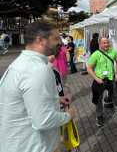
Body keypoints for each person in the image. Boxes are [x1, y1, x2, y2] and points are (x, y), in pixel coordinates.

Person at [0, 21, 76, 152]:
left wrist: (55, 100)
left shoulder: (21, 63)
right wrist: (69, 115)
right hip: (33, 146)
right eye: (56, 39)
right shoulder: (37, 69)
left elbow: (24, 100)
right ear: (41, 40)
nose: (60, 43)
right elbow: (43, 121)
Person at [86, 37, 117, 128]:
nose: (106, 44)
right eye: (104, 43)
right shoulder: (96, 54)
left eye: (107, 43)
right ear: (100, 44)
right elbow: (89, 68)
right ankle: (99, 116)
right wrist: (96, 78)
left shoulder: (113, 52)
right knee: (98, 100)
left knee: (115, 96)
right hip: (100, 80)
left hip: (111, 79)